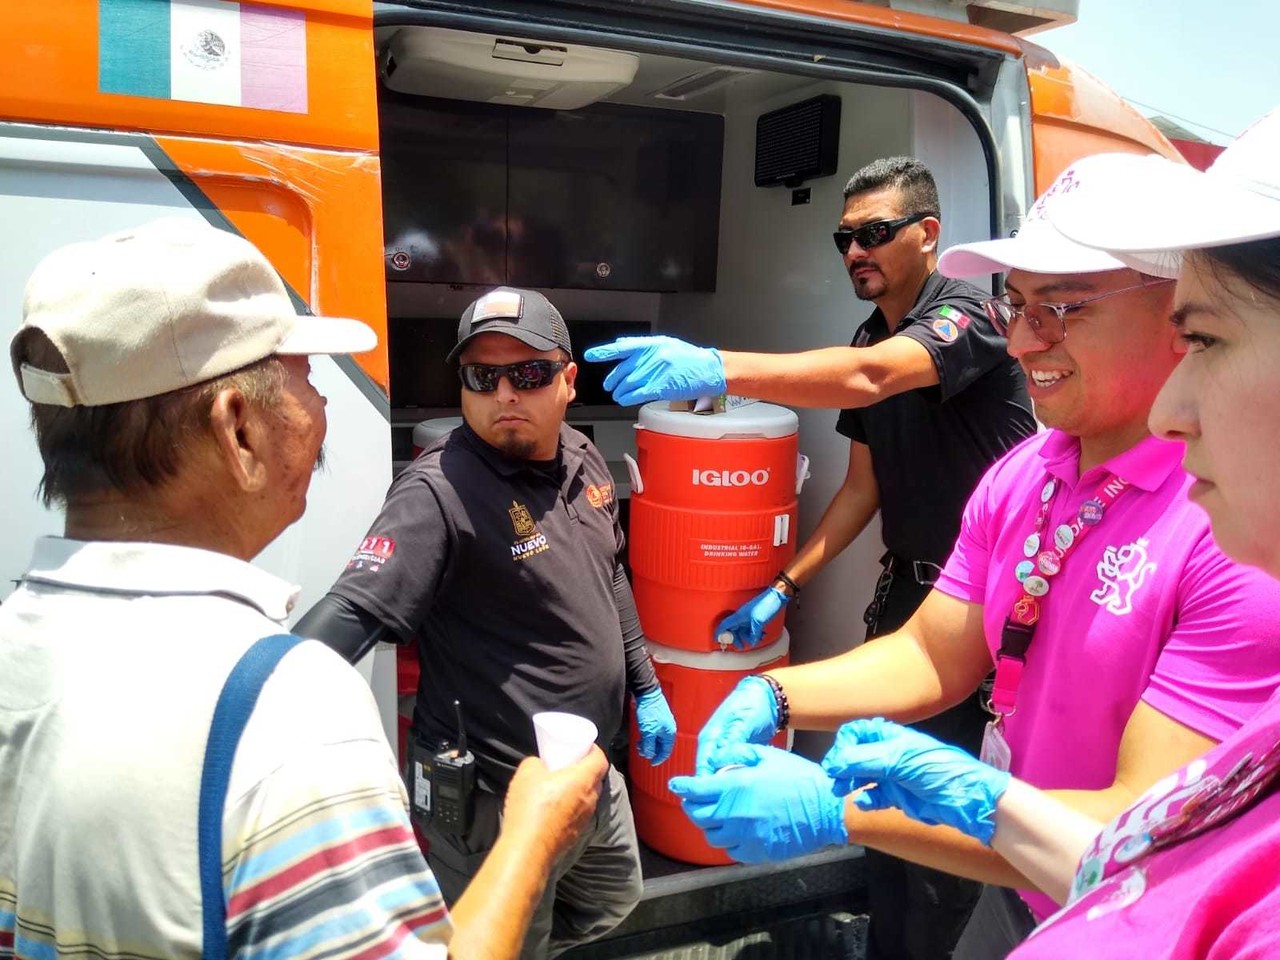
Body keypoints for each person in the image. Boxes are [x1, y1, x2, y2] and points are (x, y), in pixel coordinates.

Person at [671, 159, 1280, 960]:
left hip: (1121, 907)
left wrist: (838, 810)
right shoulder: (1028, 471)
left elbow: (1134, 838)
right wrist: (774, 692)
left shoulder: (1235, 526)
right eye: (1018, 306)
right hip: (1021, 891)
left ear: (1178, 314)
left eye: (1062, 308)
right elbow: (936, 651)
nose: (1025, 341)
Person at [0, 219, 607, 960]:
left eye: (529, 375)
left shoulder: (18, 645)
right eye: (306, 379)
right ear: (239, 432)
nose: (322, 409)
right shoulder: (283, 713)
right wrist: (534, 836)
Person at [587, 156, 1036, 960]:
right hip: (909, 604)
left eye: (875, 233)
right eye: (844, 238)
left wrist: (720, 365)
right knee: (886, 806)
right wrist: (784, 586)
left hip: (992, 618)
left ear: (928, 236)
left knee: (940, 836)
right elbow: (865, 489)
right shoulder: (871, 333)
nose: (855, 251)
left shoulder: (972, 314)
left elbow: (868, 380)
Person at [295, 287, 675, 960]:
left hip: (586, 772)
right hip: (491, 802)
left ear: (566, 380)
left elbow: (610, 570)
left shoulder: (584, 458)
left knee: (614, 898)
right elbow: (349, 615)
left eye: (526, 373)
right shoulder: (437, 492)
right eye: (482, 376)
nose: (504, 393)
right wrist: (247, 723)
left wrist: (644, 684)